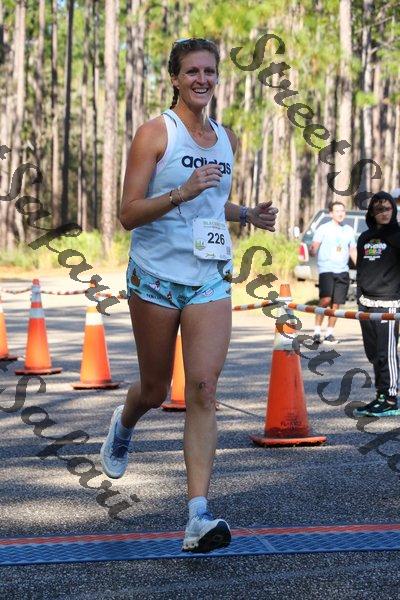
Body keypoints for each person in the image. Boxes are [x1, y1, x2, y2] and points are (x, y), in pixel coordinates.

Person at [99, 38, 278, 553]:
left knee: (202, 387)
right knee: (156, 390)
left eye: (210, 72)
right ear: (175, 78)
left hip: (209, 277)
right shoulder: (156, 133)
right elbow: (128, 213)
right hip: (156, 275)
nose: (202, 79)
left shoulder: (224, 137)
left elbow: (212, 204)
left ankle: (198, 516)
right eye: (193, 71)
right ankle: (124, 423)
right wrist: (182, 190)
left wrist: (247, 214)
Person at [354, 191, 400, 417]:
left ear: (393, 210)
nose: (384, 213)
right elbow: (360, 268)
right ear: (372, 212)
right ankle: (380, 396)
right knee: (373, 352)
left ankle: (391, 399)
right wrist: (359, 298)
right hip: (366, 303)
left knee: (386, 352)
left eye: (387, 208)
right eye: (379, 209)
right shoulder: (365, 237)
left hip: (389, 303)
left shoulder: (398, 236)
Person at [309, 201, 357, 345]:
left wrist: (360, 267)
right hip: (327, 269)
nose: (340, 213)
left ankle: (329, 334)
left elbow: (352, 250)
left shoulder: (349, 230)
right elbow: (314, 247)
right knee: (325, 300)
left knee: (336, 304)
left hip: (342, 270)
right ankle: (317, 332)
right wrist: (312, 251)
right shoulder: (323, 228)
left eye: (342, 211)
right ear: (331, 213)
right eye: (337, 211)